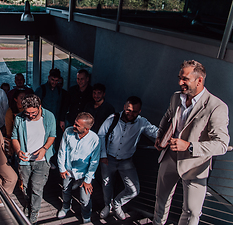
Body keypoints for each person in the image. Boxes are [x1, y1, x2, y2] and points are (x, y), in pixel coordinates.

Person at [152, 60, 230, 225]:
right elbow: (167, 116)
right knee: (161, 201)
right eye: (180, 78)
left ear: (199, 80)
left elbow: (222, 144)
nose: (180, 82)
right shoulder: (175, 97)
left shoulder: (217, 107)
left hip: (196, 164)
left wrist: (189, 146)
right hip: (169, 157)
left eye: (185, 79)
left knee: (192, 212)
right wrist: (160, 136)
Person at [98, 96, 158, 220]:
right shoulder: (112, 119)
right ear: (124, 107)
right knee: (106, 184)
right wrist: (103, 155)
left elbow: (156, 132)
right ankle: (107, 205)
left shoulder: (142, 122)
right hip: (108, 158)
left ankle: (117, 203)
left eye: (134, 111)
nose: (130, 113)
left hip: (126, 161)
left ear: (139, 111)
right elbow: (101, 135)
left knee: (134, 189)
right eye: (128, 110)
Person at [11, 94, 56, 224]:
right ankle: (28, 204)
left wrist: (44, 149)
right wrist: (18, 150)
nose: (30, 116)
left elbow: (52, 135)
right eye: (27, 113)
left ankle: (34, 211)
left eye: (33, 113)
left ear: (40, 107)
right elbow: (14, 137)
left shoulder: (49, 116)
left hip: (42, 161)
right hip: (25, 160)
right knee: (25, 186)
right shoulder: (19, 118)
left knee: (37, 188)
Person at [57, 112, 100, 224]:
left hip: (84, 173)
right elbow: (62, 151)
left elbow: (94, 161)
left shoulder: (94, 139)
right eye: (75, 123)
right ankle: (65, 207)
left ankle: (86, 216)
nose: (74, 126)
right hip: (68, 169)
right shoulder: (68, 131)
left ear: (86, 129)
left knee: (85, 198)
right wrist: (62, 168)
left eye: (77, 125)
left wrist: (88, 180)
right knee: (65, 190)